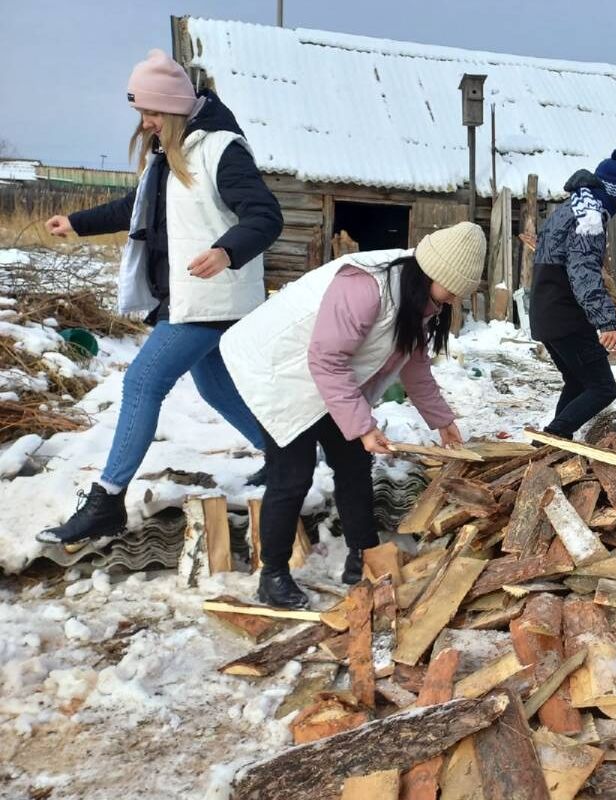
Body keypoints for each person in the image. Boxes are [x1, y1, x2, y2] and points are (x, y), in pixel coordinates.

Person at [37, 49, 282, 546]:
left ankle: (107, 500)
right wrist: (78, 224)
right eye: (141, 114)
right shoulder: (169, 155)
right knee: (215, 390)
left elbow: (265, 216)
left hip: (213, 297)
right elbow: (138, 209)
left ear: (173, 108)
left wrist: (226, 251)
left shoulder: (220, 149)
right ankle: (285, 457)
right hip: (186, 295)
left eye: (150, 113)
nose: (145, 123)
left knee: (142, 383)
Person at [221, 223, 486, 609]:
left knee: (354, 465)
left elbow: (414, 365)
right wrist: (363, 426)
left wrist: (443, 421)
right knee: (292, 476)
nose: (453, 300)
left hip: (333, 380)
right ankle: (272, 573)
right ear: (434, 272)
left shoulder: (419, 299)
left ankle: (361, 554)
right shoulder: (365, 287)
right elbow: (325, 358)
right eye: (453, 290)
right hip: (281, 374)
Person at [530, 148, 616, 439]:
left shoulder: (567, 209)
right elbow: (583, 272)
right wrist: (607, 320)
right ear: (613, 195)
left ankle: (554, 442)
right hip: (566, 315)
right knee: (603, 387)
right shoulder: (589, 217)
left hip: (546, 312)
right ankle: (554, 436)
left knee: (577, 381)